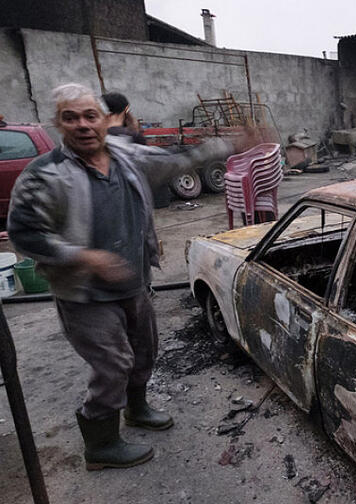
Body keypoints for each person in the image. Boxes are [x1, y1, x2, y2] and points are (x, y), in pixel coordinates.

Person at [7, 83, 240, 470]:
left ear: (104, 120)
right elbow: (24, 233)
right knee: (113, 363)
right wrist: (84, 257)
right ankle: (101, 445)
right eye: (71, 117)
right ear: (57, 124)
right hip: (83, 293)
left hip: (133, 283)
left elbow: (177, 161)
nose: (82, 125)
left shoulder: (126, 155)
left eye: (89, 116)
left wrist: (229, 145)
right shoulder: (44, 175)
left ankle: (137, 408)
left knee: (144, 352)